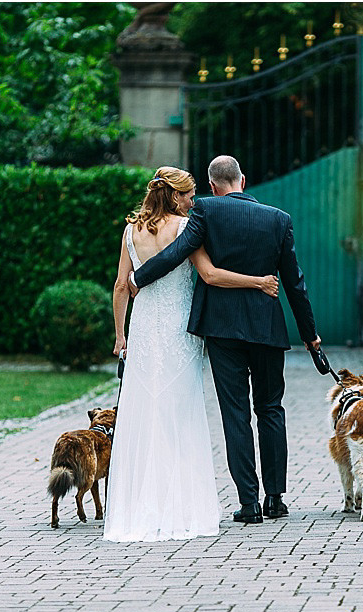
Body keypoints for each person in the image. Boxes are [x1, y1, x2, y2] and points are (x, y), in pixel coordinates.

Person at [129, 155, 321, 524]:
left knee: (235, 413)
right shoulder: (279, 219)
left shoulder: (206, 210)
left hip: (222, 329)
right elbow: (295, 284)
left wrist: (140, 278)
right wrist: (310, 335)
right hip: (267, 328)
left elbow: (177, 252)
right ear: (243, 179)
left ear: (213, 184)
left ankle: (248, 504)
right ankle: (276, 499)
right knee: (270, 409)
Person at [103, 166, 279, 542]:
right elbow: (211, 275)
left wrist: (120, 336)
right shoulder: (186, 230)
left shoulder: (130, 230)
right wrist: (259, 282)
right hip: (180, 333)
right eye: (189, 195)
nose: (194, 201)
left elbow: (121, 285)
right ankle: (181, 505)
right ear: (176, 197)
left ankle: (137, 505)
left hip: (145, 331)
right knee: (180, 414)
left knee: (144, 412)